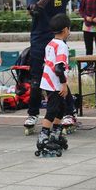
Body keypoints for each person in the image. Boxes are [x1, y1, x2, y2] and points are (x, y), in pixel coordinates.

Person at [23, 0, 96, 134]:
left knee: (60, 77)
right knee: (36, 80)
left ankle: (69, 113)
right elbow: (34, 11)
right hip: (40, 41)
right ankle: (33, 114)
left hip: (58, 41)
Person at [36, 14, 71, 157]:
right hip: (55, 83)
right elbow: (59, 68)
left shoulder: (50, 43)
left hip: (48, 81)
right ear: (65, 30)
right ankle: (43, 137)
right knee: (52, 110)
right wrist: (64, 84)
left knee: (61, 108)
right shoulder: (62, 46)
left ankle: (55, 133)